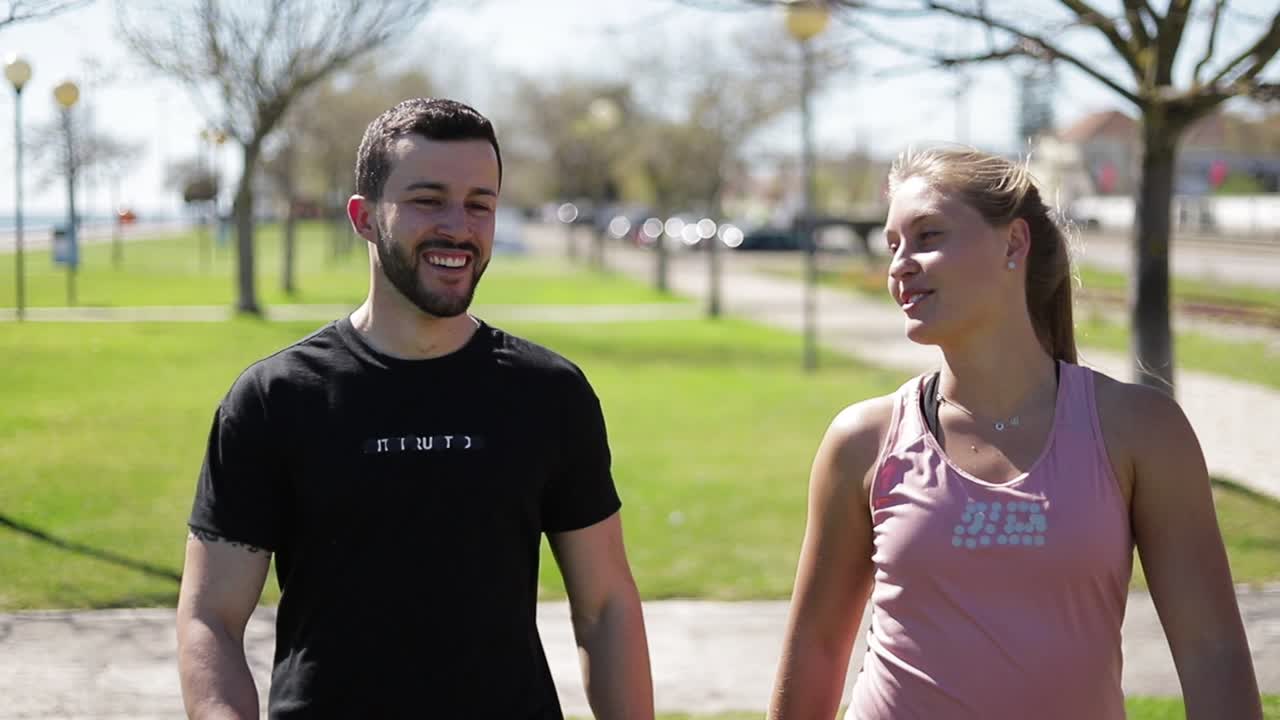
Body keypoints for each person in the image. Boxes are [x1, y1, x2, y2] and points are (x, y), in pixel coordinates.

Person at [177, 98, 654, 719]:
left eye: (480, 203)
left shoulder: (549, 394)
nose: (458, 225)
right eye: (428, 199)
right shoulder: (276, 398)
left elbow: (606, 607)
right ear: (364, 217)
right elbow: (210, 617)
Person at [768, 147, 1261, 719]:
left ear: (1014, 243)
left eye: (927, 236)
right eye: (892, 245)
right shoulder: (862, 441)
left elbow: (1212, 652)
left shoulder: (1141, 431)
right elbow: (817, 651)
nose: (900, 264)